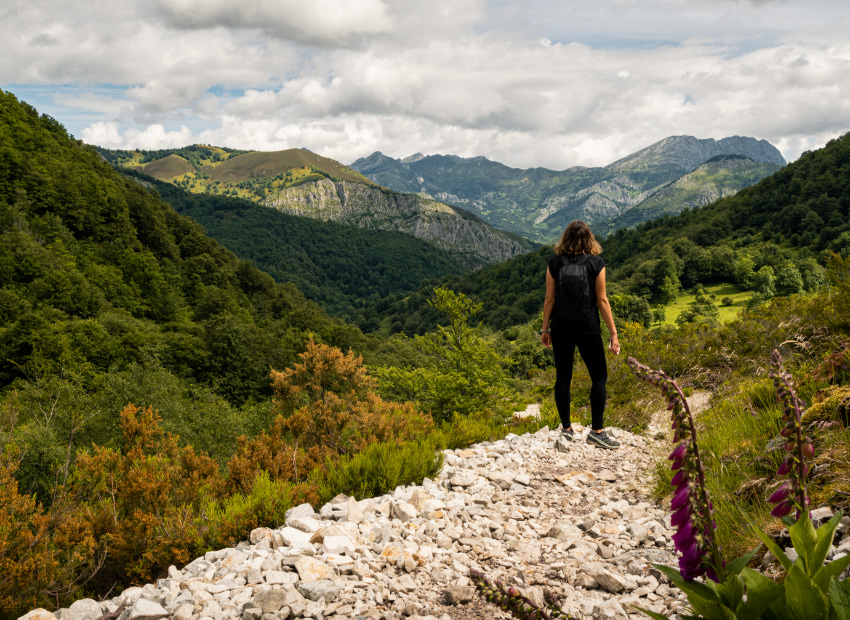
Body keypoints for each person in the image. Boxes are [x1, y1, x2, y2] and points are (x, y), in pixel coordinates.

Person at [540, 220, 621, 449]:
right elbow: (602, 300)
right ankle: (597, 431)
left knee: (563, 377)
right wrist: (613, 334)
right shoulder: (596, 264)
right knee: (599, 377)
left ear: (564, 239)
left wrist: (545, 329)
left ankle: (566, 429)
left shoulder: (554, 264)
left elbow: (549, 299)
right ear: (590, 239)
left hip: (561, 327)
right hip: (588, 327)